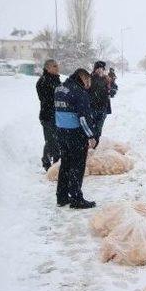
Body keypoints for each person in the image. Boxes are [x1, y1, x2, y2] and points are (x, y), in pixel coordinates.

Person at [54, 68, 97, 209]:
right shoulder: (79, 92)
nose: (89, 84)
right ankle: (76, 198)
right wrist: (91, 135)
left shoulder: (60, 88)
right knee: (77, 167)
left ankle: (61, 196)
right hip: (75, 133)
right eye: (88, 80)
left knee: (65, 164)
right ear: (83, 78)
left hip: (61, 132)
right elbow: (83, 118)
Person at [35, 59, 61, 171]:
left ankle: (56, 162)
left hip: (57, 115)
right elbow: (46, 98)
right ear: (48, 68)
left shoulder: (56, 79)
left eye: (57, 66)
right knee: (51, 141)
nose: (57, 68)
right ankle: (48, 162)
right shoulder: (43, 81)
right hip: (48, 115)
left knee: (57, 140)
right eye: (54, 66)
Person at [88, 61, 110, 139]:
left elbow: (106, 92)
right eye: (99, 68)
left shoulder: (106, 79)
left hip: (102, 108)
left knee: (98, 129)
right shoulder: (89, 78)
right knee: (91, 129)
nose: (101, 70)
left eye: (103, 69)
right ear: (95, 69)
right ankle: (91, 144)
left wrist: (110, 90)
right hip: (92, 108)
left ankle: (95, 143)